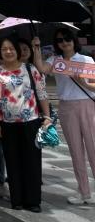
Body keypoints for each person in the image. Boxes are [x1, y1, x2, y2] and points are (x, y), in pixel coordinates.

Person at [0, 35, 53, 212]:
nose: (8, 51)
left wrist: (47, 118)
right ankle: (16, 199)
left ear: (17, 50)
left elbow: (42, 94)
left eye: (11, 48)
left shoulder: (30, 68)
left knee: (32, 162)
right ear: (0, 53)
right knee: (12, 161)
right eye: (4, 49)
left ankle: (33, 201)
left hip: (30, 122)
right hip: (6, 123)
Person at [32, 28, 95, 205]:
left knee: (93, 148)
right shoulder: (55, 60)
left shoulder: (86, 60)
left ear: (74, 40)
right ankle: (84, 191)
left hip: (87, 105)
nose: (64, 43)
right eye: (60, 40)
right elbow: (42, 68)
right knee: (75, 151)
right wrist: (36, 48)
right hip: (66, 107)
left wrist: (82, 81)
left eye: (67, 39)